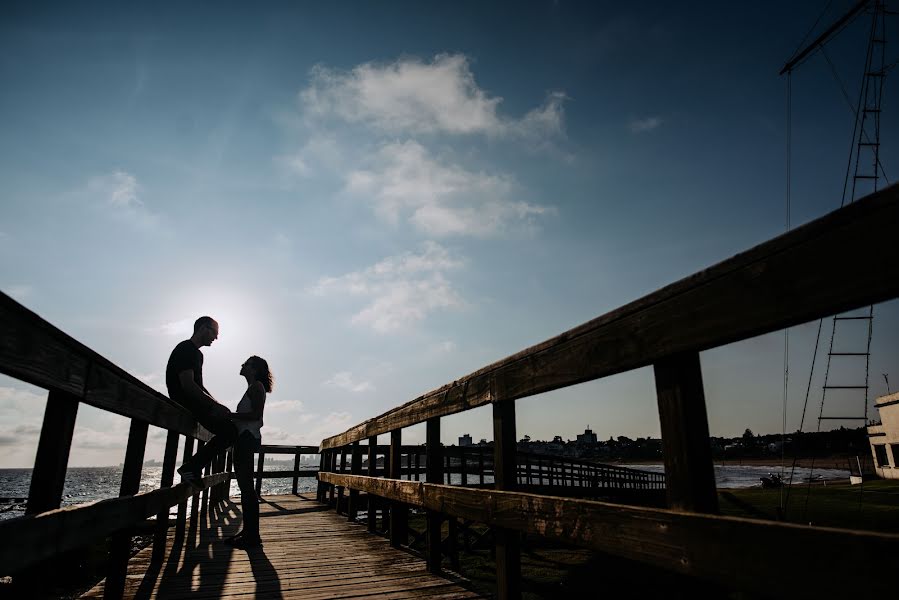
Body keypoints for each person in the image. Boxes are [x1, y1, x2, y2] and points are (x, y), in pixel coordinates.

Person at [165, 316, 238, 489]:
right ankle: (191, 467)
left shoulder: (195, 353)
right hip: (187, 402)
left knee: (229, 429)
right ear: (204, 328)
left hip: (192, 402)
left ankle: (192, 467)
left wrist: (216, 404)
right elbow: (188, 385)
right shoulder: (187, 349)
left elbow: (200, 386)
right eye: (215, 332)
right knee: (230, 431)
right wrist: (214, 406)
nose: (216, 338)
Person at [225, 355, 272, 549]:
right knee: (246, 488)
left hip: (247, 438)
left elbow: (255, 415)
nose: (242, 365)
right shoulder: (252, 388)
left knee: (247, 489)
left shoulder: (256, 388)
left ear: (254, 369)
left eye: (246, 364)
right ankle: (248, 532)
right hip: (245, 438)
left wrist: (229, 415)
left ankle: (252, 536)